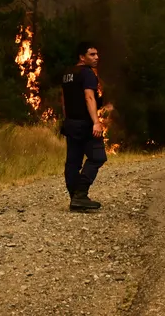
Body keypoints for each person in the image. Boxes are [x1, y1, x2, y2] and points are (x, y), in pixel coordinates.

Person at [60, 41, 107, 212]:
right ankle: (80, 194)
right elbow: (89, 97)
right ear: (82, 57)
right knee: (98, 157)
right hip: (85, 124)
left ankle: (75, 199)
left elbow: (63, 100)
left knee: (73, 162)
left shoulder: (67, 74)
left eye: (96, 54)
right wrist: (96, 121)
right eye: (92, 55)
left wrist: (66, 119)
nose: (96, 58)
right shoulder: (87, 73)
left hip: (71, 123)